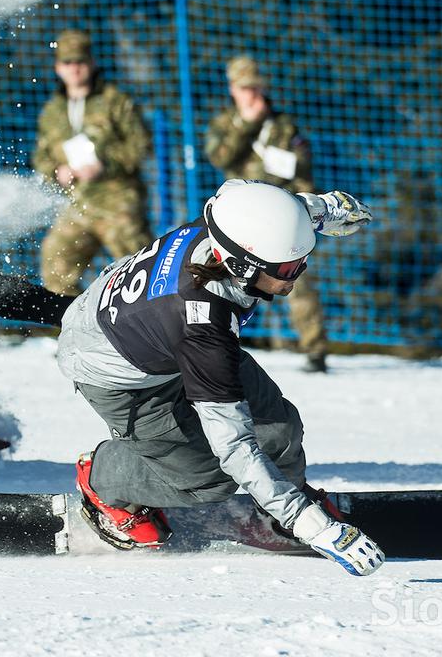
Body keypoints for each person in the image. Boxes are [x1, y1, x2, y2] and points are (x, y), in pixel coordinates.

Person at [56, 179, 384, 576]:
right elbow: (233, 445)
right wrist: (313, 525)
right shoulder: (203, 323)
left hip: (159, 336)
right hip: (124, 379)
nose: (297, 272)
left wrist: (323, 210)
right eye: (286, 268)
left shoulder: (227, 225)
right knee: (207, 480)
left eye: (301, 260)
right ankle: (103, 480)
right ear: (243, 265)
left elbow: (265, 208)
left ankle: (279, 506)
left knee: (279, 427)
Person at [204, 56, 330, 373]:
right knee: (220, 279)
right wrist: (247, 124)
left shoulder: (283, 127)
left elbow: (303, 171)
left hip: (280, 218)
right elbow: (219, 156)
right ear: (233, 89)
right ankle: (215, 342)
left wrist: (297, 203)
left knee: (296, 279)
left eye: (256, 87)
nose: (253, 95)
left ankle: (315, 350)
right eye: (246, 88)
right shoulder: (224, 124)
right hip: (240, 219)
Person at [32, 29, 152, 296]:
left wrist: (105, 165)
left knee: (143, 272)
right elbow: (41, 157)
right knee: (55, 266)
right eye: (67, 62)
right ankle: (74, 330)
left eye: (79, 61)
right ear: (58, 67)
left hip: (118, 205)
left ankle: (146, 333)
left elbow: (141, 146)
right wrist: (57, 172)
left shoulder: (115, 102)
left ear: (91, 63)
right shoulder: (52, 112)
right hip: (78, 205)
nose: (74, 68)